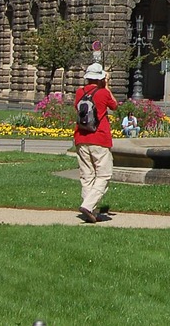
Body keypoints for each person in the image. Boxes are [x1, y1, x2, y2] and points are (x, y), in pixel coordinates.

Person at [74, 63, 117, 223]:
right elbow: (114, 105)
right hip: (99, 138)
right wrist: (106, 85)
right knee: (104, 174)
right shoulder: (103, 92)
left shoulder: (79, 92)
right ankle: (88, 206)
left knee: (87, 176)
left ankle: (90, 210)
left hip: (81, 137)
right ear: (100, 78)